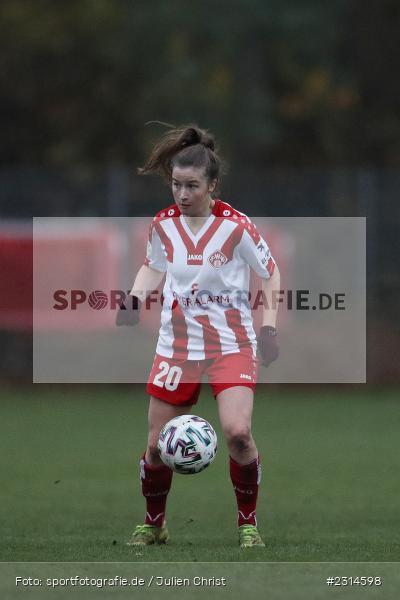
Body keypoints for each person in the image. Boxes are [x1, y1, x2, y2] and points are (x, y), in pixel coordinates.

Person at [117, 124, 280, 548]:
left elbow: (270, 272)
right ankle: (154, 523)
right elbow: (153, 266)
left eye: (192, 186)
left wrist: (268, 327)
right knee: (155, 447)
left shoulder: (236, 227)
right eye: (176, 185)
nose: (182, 194)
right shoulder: (163, 225)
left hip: (233, 344)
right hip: (177, 346)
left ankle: (248, 524)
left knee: (238, 433)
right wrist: (135, 300)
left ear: (213, 186)